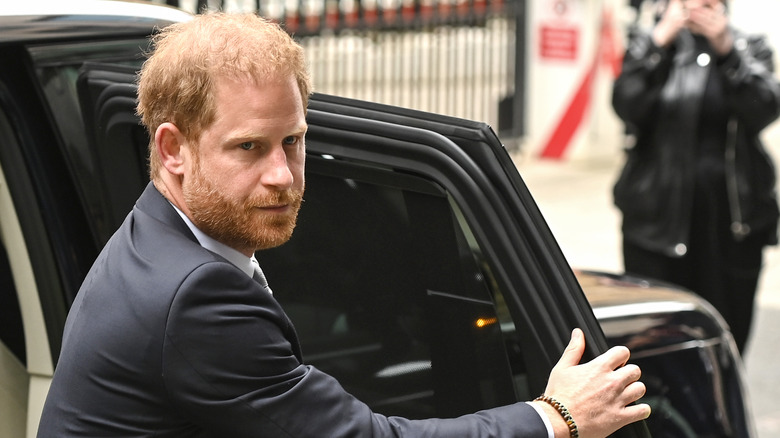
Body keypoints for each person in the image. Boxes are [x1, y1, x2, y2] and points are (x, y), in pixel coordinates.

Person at [38, 12, 650, 437]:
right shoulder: (196, 296)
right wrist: (557, 416)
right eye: (249, 147)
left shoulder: (154, 234)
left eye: (294, 142)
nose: (282, 175)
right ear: (172, 148)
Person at [611, 0, 780, 354]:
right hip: (655, 221)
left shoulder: (749, 47)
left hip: (733, 225)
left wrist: (727, 51)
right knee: (654, 339)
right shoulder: (650, 45)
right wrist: (659, 42)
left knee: (727, 337)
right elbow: (627, 105)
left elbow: (764, 109)